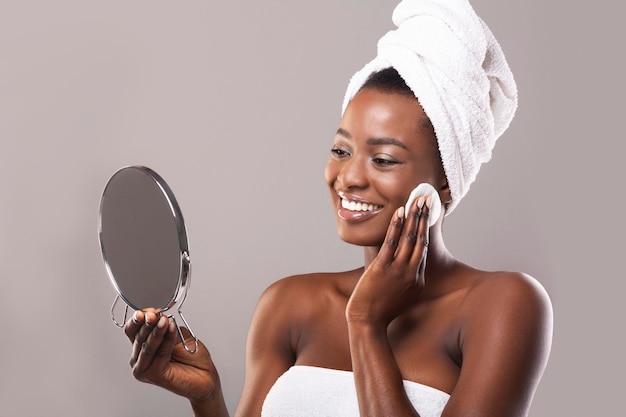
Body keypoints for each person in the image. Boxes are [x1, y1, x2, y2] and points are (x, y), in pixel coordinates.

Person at [124, 1, 553, 416]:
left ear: (444, 181)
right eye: (341, 150)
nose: (349, 177)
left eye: (383, 159)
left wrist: (366, 324)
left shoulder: (502, 305)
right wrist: (207, 397)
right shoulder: (289, 304)